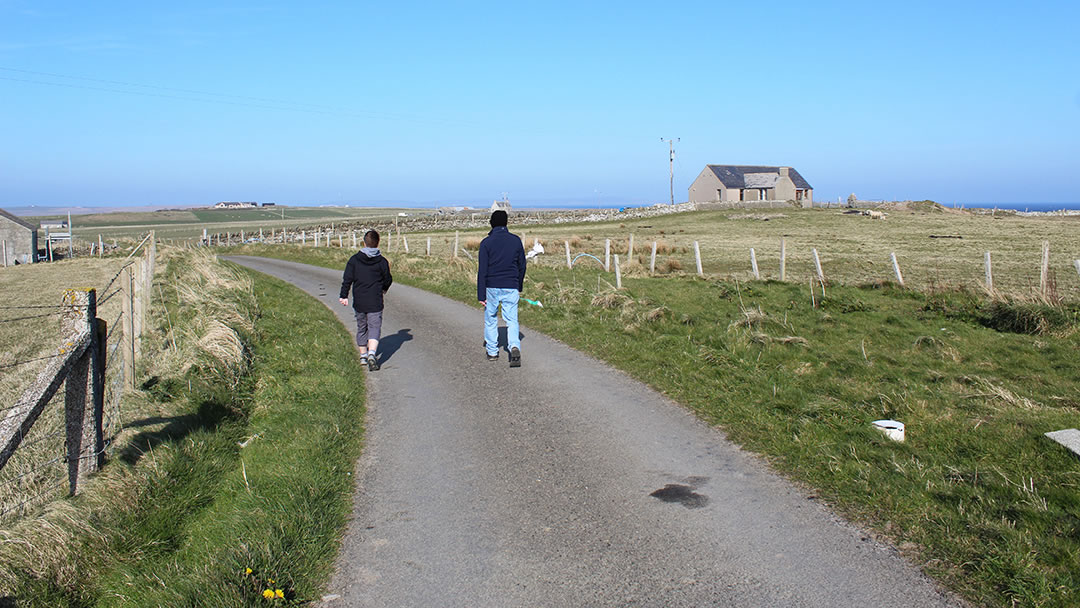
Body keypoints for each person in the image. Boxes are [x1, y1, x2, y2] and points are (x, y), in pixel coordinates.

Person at [477, 210, 526, 367]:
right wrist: (518, 285)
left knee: (490, 319)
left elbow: (482, 270)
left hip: (491, 286)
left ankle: (492, 352)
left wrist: (481, 294)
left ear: (492, 223)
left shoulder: (486, 243)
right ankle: (514, 346)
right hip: (511, 285)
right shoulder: (516, 241)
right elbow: (522, 265)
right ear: (506, 223)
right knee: (512, 319)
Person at [340, 229, 393, 371]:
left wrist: (343, 295)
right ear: (378, 243)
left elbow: (347, 279)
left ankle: (363, 356)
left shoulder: (354, 260)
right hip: (375, 300)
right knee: (374, 327)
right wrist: (383, 288)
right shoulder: (382, 262)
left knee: (362, 327)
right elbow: (388, 279)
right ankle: (372, 353)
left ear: (364, 242)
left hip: (360, 301)